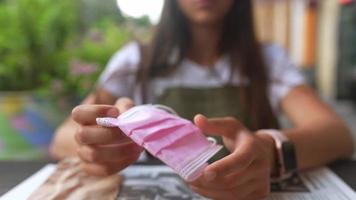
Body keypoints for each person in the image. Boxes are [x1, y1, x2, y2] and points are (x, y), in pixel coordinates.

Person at [50, 0, 354, 199]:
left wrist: (269, 150)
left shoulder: (267, 60)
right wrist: (97, 143)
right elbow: (62, 138)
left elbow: (336, 134)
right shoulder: (134, 61)